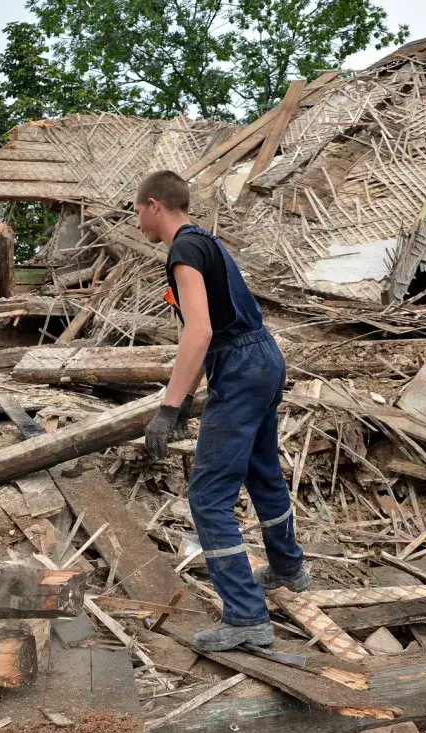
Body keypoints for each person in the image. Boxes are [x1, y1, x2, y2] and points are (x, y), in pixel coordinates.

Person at [134, 170, 309, 652]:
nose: (137, 222)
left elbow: (200, 331)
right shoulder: (207, 242)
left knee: (208, 497)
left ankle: (247, 616)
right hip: (265, 358)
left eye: (138, 211)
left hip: (238, 363)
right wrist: (188, 394)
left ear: (154, 205)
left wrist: (170, 409)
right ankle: (289, 565)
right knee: (263, 472)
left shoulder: (183, 251)